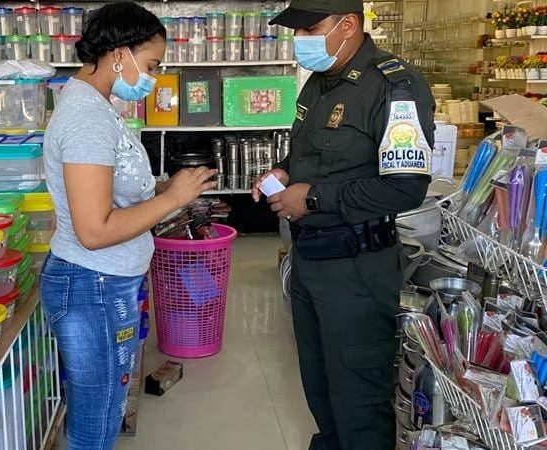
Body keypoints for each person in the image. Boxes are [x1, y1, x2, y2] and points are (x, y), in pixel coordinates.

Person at [252, 1, 435, 449]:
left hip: (357, 269)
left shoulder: (394, 86)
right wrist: (283, 172)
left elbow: (404, 189)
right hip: (311, 260)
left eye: (310, 29)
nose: (301, 41)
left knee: (359, 402)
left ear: (348, 25)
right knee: (321, 390)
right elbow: (311, 157)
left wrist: (312, 197)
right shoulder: (319, 83)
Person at [41, 3, 217, 450]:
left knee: (102, 405)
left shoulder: (97, 106)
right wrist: (173, 199)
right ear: (120, 53)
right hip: (91, 283)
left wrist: (163, 188)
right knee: (97, 418)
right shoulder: (86, 117)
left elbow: (108, 187)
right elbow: (94, 231)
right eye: (152, 65)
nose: (154, 78)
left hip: (102, 283)